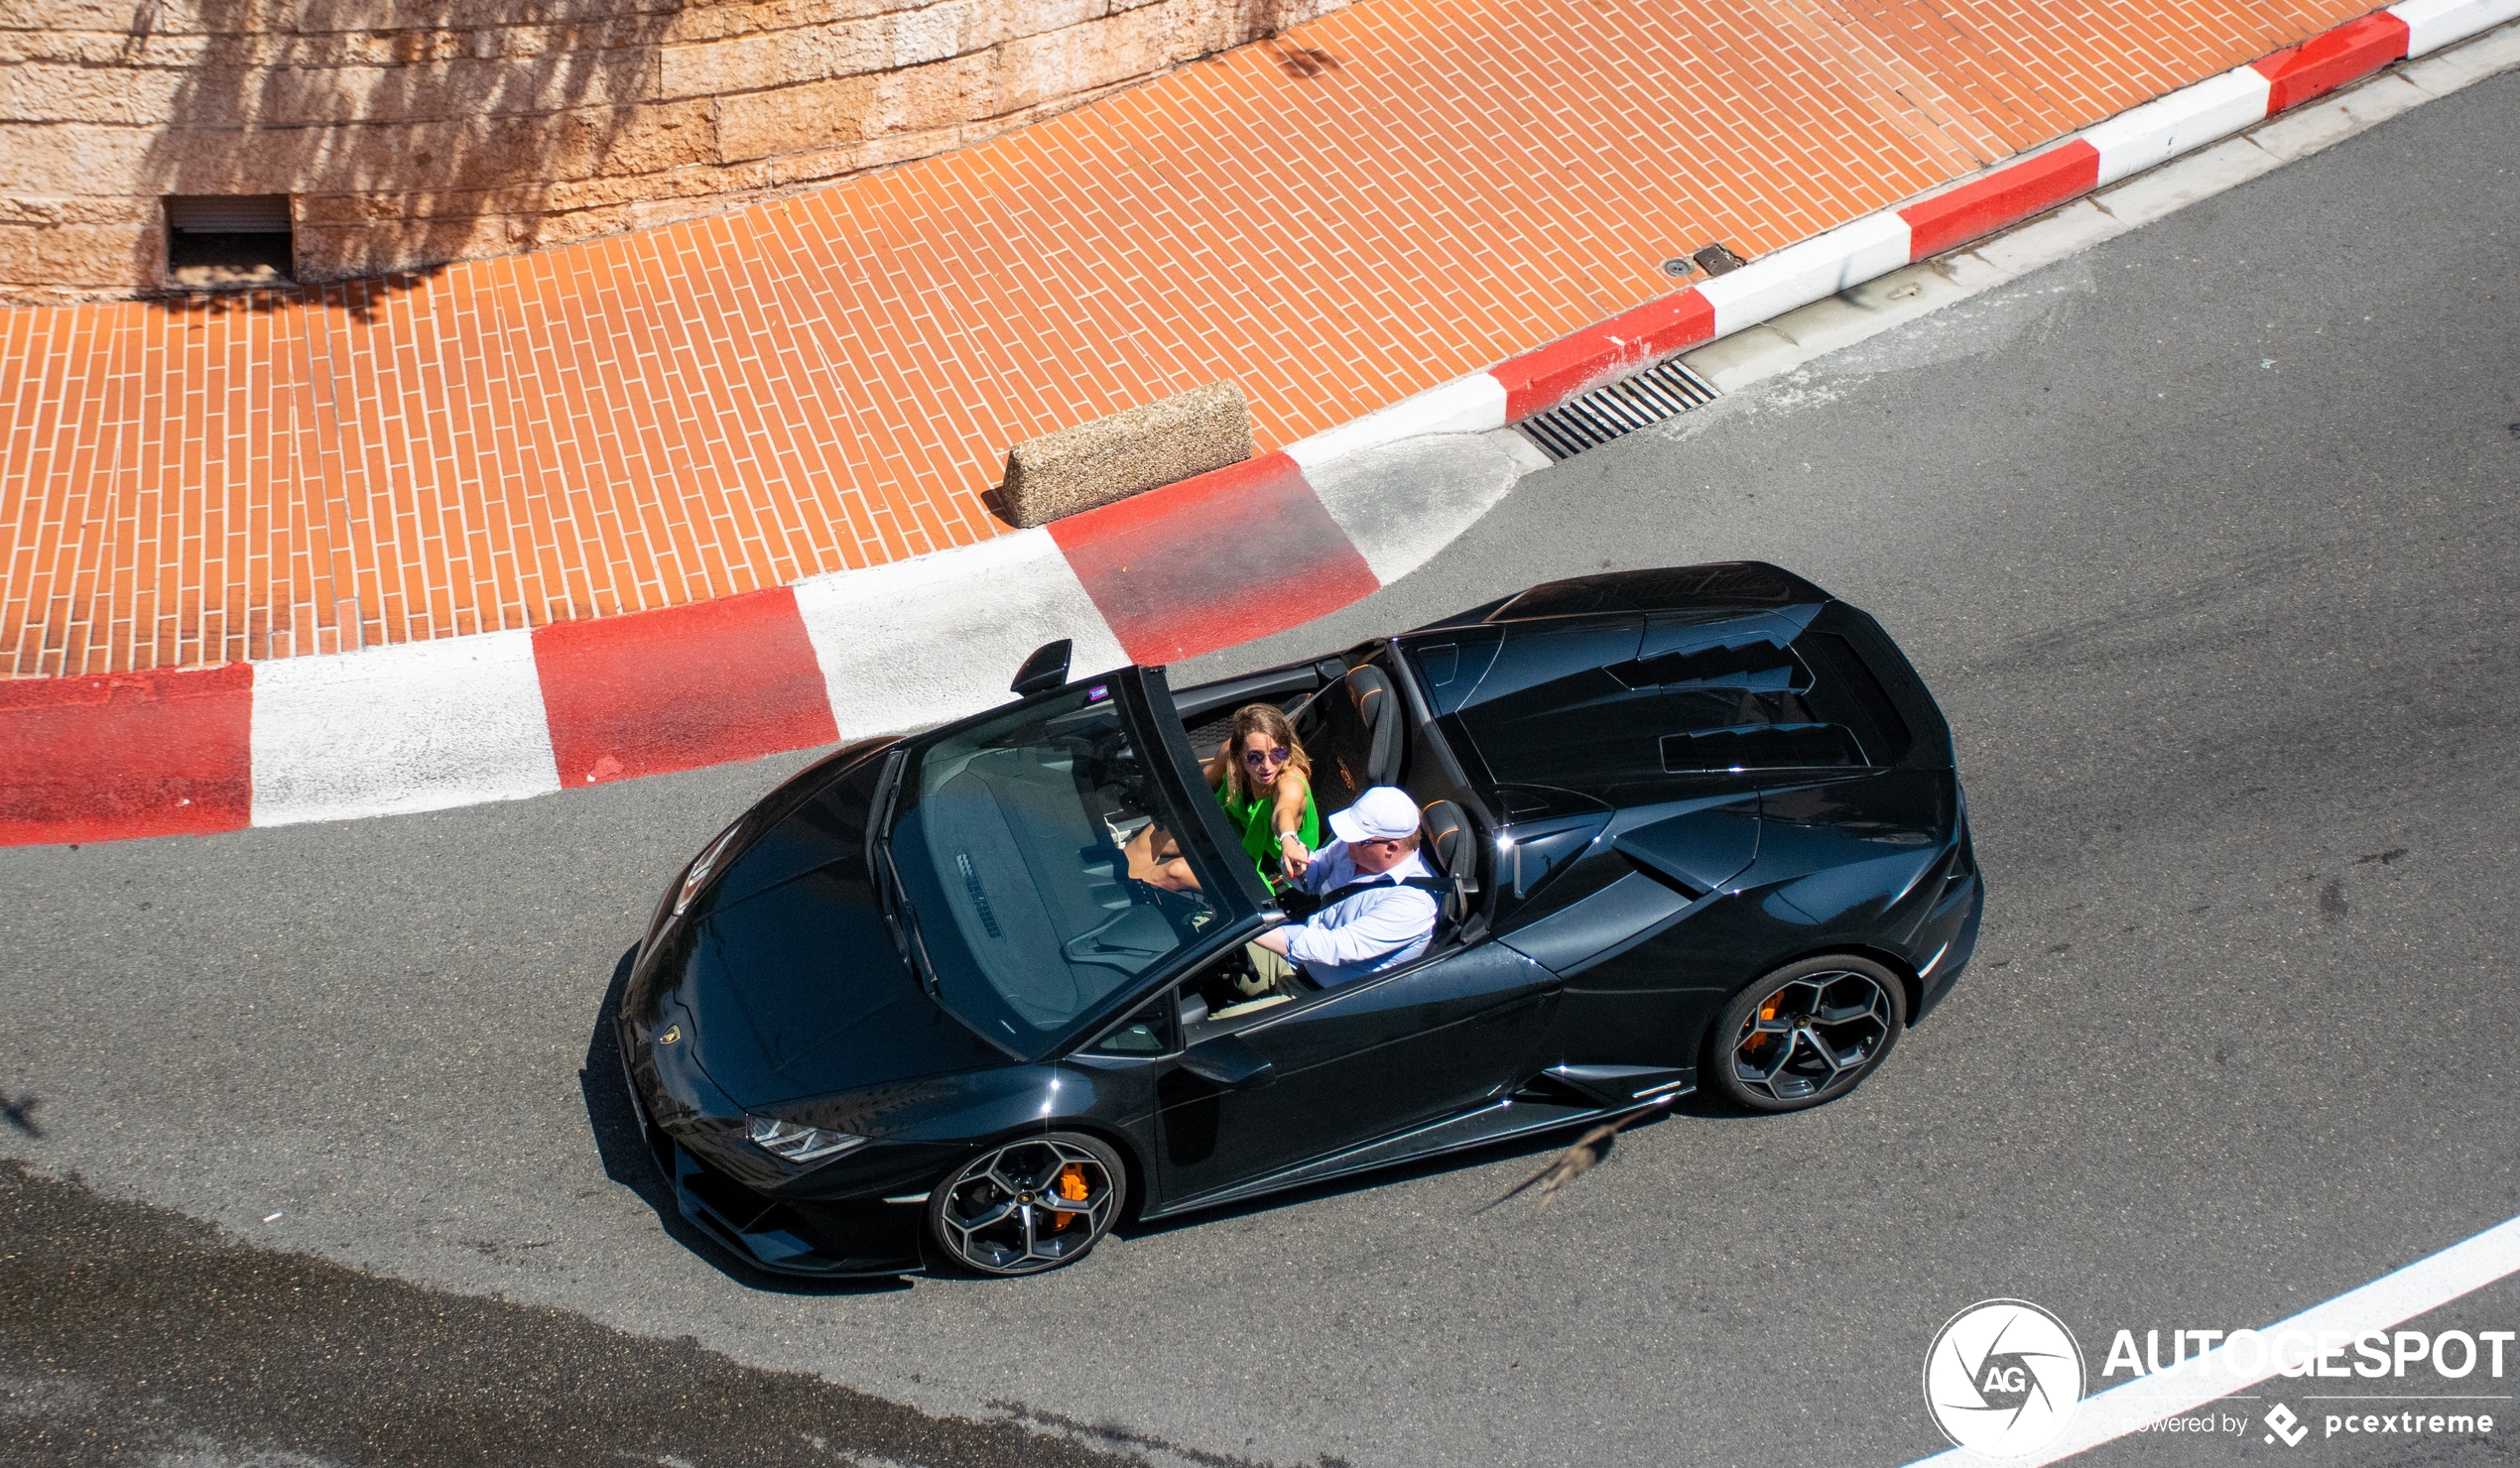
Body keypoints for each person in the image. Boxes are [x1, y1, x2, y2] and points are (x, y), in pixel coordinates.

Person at [1246, 786, 1440, 991]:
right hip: (1295, 959)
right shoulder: (1356, 846)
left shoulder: (1413, 905)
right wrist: (1297, 861)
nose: (1347, 841)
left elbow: (1336, 947)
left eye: (1357, 839)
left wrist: (1253, 931)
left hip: (1316, 997)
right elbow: (1316, 874)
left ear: (1391, 847)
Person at [1123, 702, 1320, 894]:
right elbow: (1201, 787)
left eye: (1278, 753)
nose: (1267, 766)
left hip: (1270, 869)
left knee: (1174, 872)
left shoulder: (1290, 783)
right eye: (1255, 757)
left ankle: (1127, 896)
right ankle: (1114, 882)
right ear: (1239, 753)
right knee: (1156, 833)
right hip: (1232, 835)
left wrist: (1288, 840)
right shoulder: (1229, 754)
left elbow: (1284, 812)